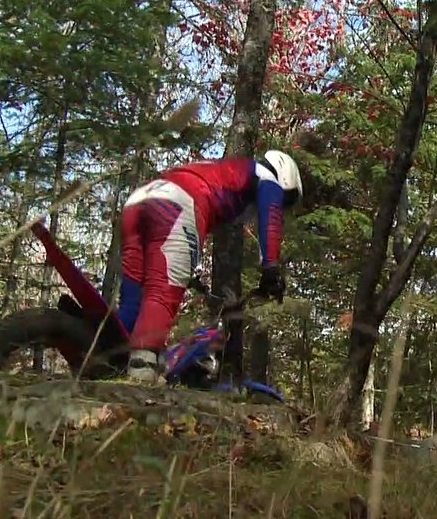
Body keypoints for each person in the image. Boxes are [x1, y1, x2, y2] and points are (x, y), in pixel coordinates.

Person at [116, 150, 303, 384]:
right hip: (176, 202)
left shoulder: (228, 170)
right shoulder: (267, 178)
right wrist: (271, 268)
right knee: (162, 291)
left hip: (139, 199)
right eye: (286, 200)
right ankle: (141, 373)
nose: (281, 204)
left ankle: (108, 358)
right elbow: (272, 219)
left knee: (134, 296)